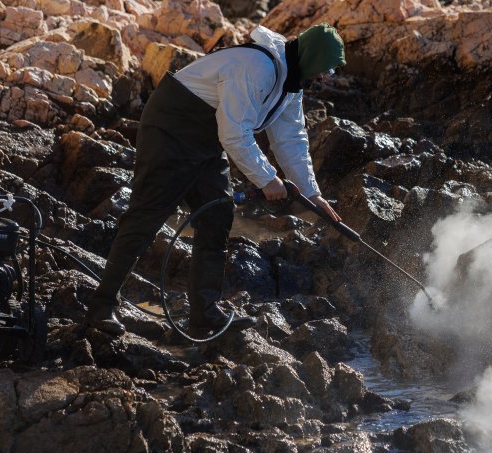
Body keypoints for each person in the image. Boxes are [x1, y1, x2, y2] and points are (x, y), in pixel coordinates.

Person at [84, 23, 346, 336]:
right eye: (324, 71)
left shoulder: (292, 81)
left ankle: (204, 313)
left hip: (207, 139)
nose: (323, 79)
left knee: (217, 216)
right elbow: (235, 132)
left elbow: (291, 138)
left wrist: (311, 193)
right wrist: (267, 179)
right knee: (147, 215)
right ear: (312, 58)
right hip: (171, 126)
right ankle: (101, 306)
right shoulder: (256, 67)